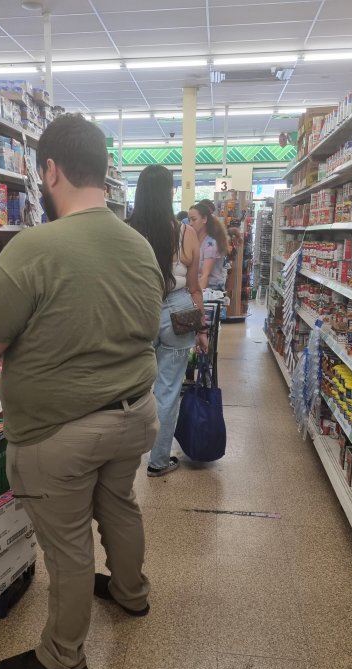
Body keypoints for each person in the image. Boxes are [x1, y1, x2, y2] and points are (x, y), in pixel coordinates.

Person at [0, 114, 163, 669]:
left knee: (69, 548)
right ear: (102, 169)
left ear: (50, 171)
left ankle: (62, 658)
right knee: (120, 505)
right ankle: (130, 593)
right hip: (134, 413)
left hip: (60, 432)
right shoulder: (139, 245)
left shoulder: (34, 247)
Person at [128, 165, 208, 477]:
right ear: (170, 193)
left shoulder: (128, 233)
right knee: (168, 389)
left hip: (138, 312)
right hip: (178, 313)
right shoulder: (187, 233)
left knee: (132, 388)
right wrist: (201, 329)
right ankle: (158, 461)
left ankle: (124, 463)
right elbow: (194, 287)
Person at [188, 201, 229, 291]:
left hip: (212, 290)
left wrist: (196, 296)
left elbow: (205, 276)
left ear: (204, 219)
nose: (190, 223)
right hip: (198, 287)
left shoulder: (211, 245)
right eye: (189, 220)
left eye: (194, 219)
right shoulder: (194, 241)